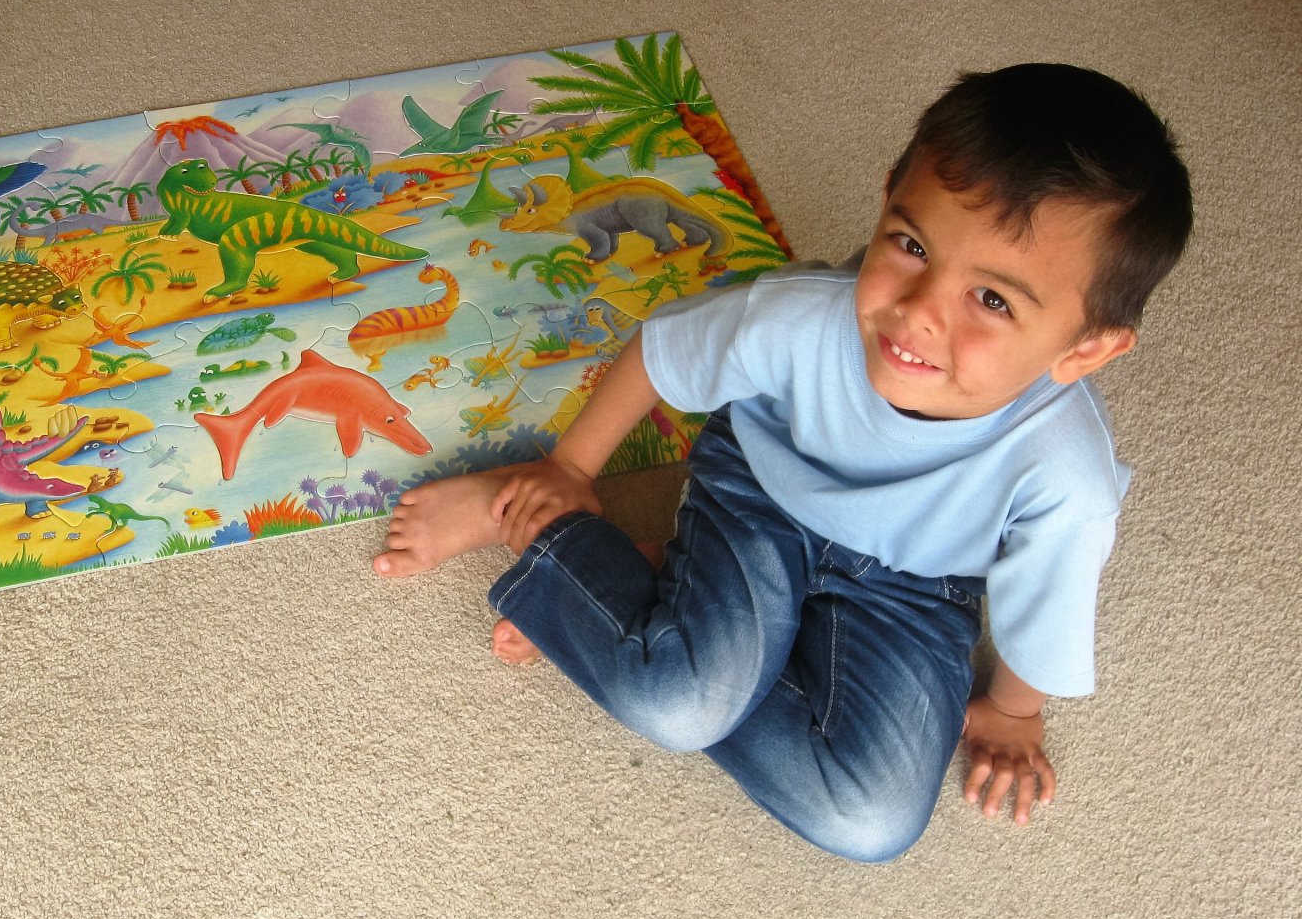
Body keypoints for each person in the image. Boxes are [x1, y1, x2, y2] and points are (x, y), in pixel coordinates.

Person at [372, 63, 1193, 863]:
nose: (918, 313)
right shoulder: (803, 317)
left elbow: (1047, 599)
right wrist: (569, 468)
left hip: (917, 581)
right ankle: (542, 528)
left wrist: (1012, 712)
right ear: (887, 198)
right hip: (763, 496)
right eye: (912, 245)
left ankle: (651, 599)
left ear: (1085, 351)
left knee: (871, 820)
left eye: (992, 299)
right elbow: (664, 353)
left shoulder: (1066, 476)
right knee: (675, 703)